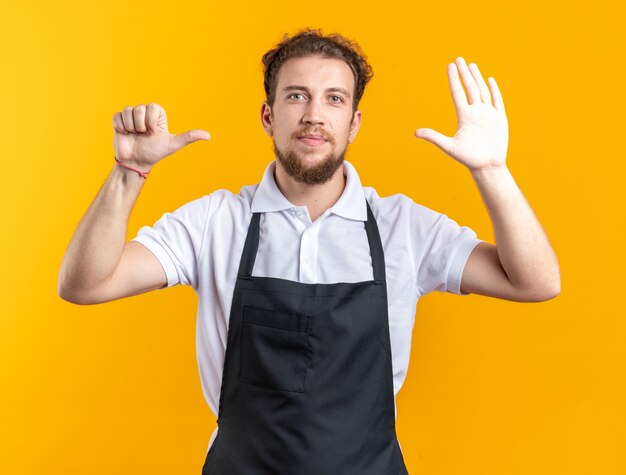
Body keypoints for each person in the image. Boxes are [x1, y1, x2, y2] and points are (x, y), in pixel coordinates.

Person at [58, 27, 561, 474]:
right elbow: (85, 284)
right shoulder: (215, 222)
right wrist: (128, 173)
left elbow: (535, 282)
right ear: (267, 114)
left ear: (355, 123)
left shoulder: (403, 227)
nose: (314, 116)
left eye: (334, 99)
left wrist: (491, 171)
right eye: (297, 96)